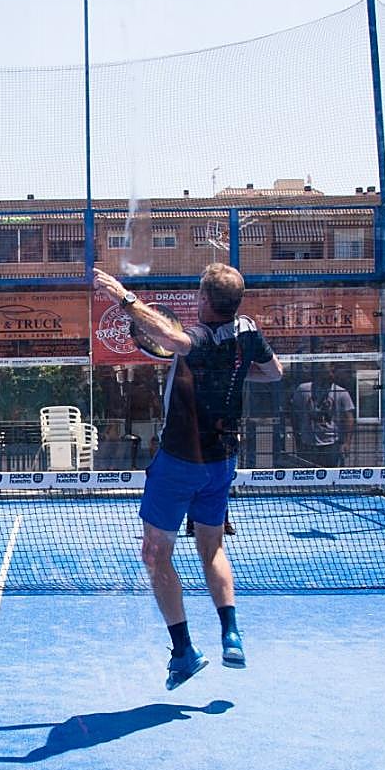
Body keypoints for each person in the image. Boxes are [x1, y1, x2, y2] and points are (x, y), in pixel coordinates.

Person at [93, 263, 283, 689]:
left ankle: (183, 651)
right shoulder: (249, 332)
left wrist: (122, 297)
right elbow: (275, 372)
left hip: (180, 461)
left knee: (156, 553)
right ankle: (230, 633)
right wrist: (230, 370)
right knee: (211, 548)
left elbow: (172, 338)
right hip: (222, 464)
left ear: (203, 300)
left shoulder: (194, 340)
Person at [290, 363, 355, 467]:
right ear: (320, 373)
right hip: (307, 443)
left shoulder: (341, 392)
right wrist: (297, 435)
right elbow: (294, 413)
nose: (331, 375)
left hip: (331, 444)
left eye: (333, 372)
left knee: (330, 476)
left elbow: (349, 418)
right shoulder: (303, 389)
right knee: (307, 476)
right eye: (328, 372)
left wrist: (346, 443)